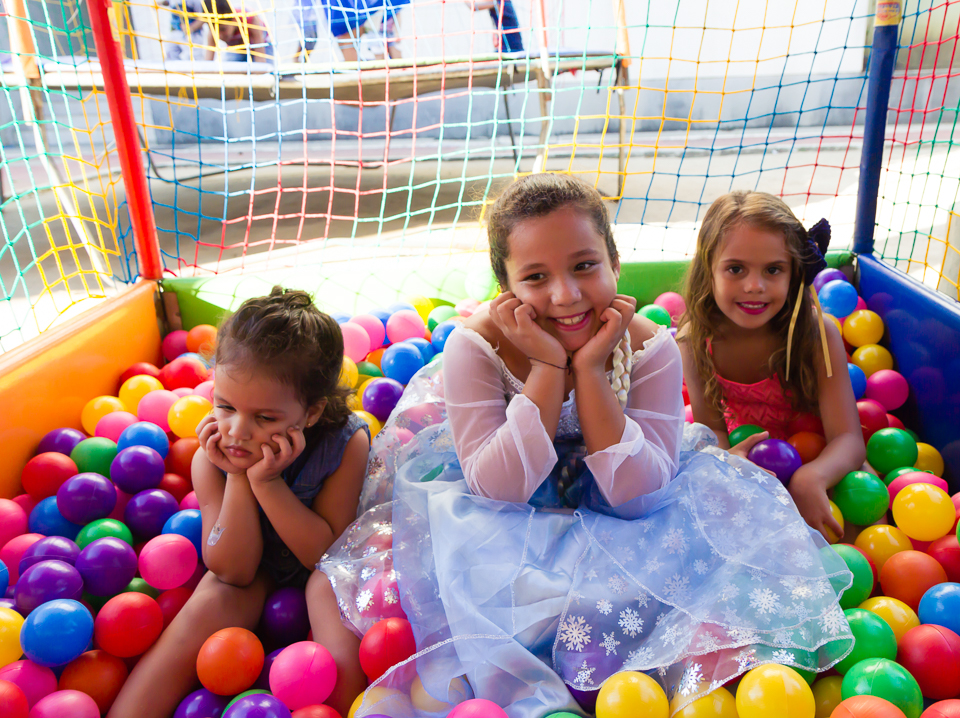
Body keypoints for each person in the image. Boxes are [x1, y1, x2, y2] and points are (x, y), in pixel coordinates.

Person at [319, 175, 853, 718]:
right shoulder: (475, 347)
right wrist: (551, 369)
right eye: (535, 277)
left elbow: (636, 498)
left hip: (625, 509)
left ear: (615, 263)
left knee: (712, 570)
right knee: (499, 594)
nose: (566, 295)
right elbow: (498, 490)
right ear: (506, 288)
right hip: (508, 514)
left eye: (584, 266)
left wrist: (592, 372)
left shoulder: (651, 346)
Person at [108, 288, 370, 718]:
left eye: (265, 418)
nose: (236, 431)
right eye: (225, 405)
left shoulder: (346, 444)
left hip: (322, 569)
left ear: (312, 412)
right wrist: (238, 478)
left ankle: (339, 709)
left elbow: (324, 557)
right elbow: (232, 567)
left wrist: (269, 485)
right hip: (252, 572)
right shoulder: (211, 455)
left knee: (329, 591)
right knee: (219, 593)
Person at [677, 191, 866, 542]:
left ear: (794, 273)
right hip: (748, 457)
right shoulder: (695, 340)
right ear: (709, 270)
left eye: (773, 270)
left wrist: (811, 477)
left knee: (859, 519)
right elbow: (713, 431)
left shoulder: (816, 332)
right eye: (735, 269)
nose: (754, 286)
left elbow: (849, 439)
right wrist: (728, 460)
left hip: (820, 454)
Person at [323, 0, 410, 61]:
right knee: (388, 49)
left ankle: (366, 79)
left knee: (347, 42)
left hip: (373, 15)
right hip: (377, 17)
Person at [200, 0, 274, 62]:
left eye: (223, 29)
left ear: (234, 20)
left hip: (261, 45)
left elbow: (260, 57)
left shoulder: (249, 19)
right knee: (230, 70)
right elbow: (208, 62)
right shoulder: (213, 28)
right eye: (216, 31)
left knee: (266, 69)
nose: (219, 35)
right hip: (237, 49)